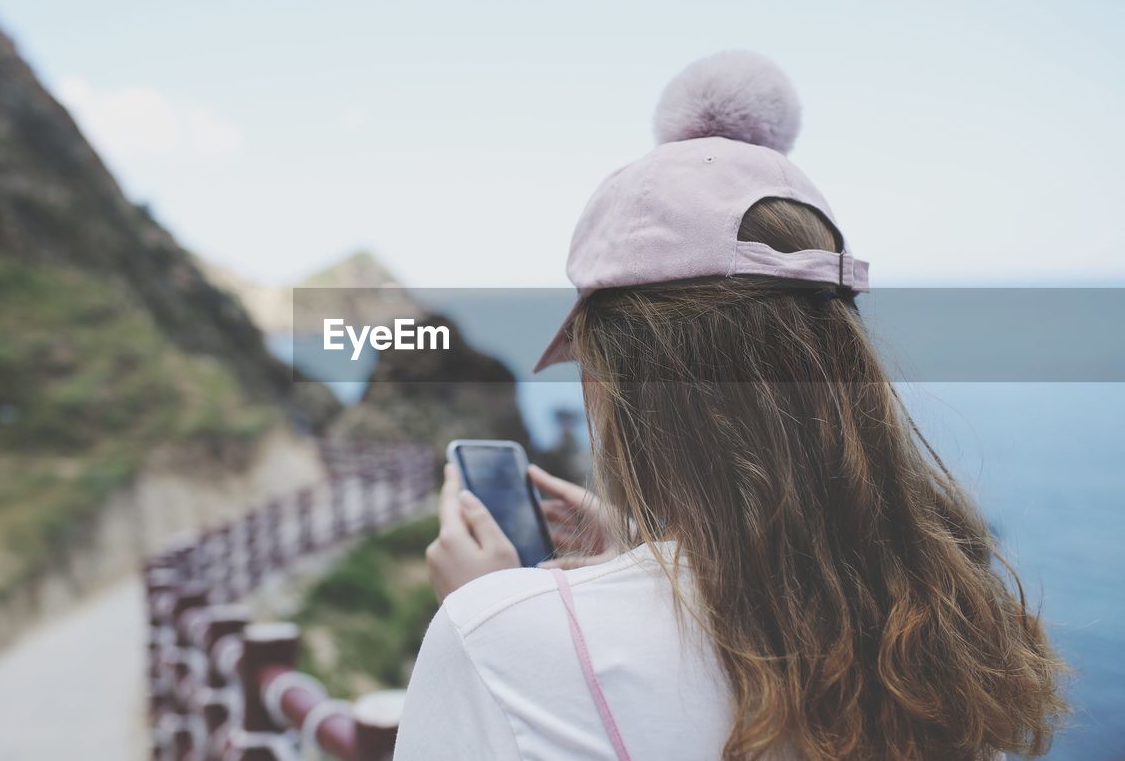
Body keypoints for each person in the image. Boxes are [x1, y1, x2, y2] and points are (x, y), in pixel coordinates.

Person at [393, 51, 1067, 760]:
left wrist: (502, 613)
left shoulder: (497, 637)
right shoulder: (940, 623)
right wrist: (644, 560)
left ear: (619, 379)